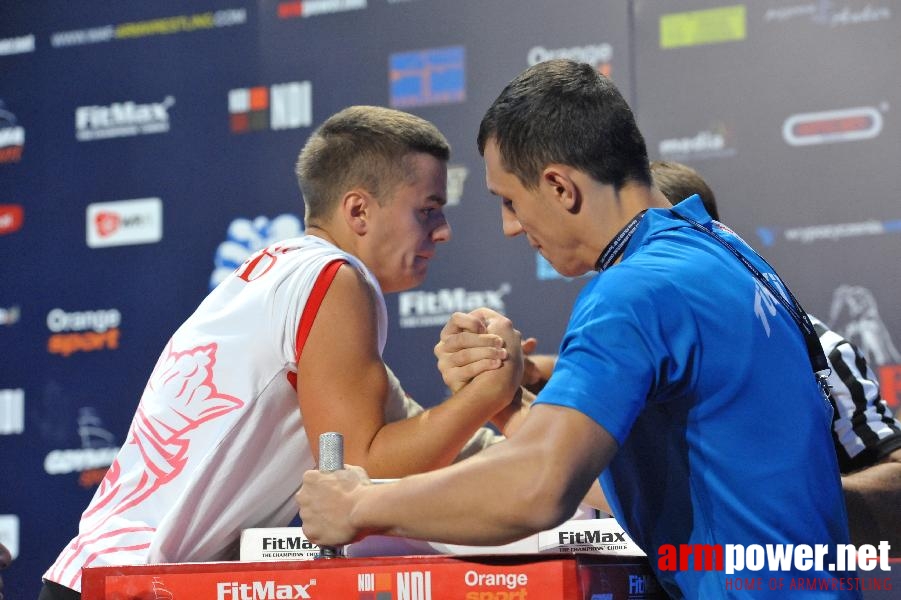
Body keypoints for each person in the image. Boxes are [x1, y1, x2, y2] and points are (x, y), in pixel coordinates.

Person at [297, 60, 860, 599]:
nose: (511, 227)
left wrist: (358, 506)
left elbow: (539, 486)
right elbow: (675, 480)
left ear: (560, 186)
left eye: (511, 201)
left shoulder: (634, 290)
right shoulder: (723, 253)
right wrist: (509, 402)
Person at [39, 106, 521, 600]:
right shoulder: (335, 280)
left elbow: (428, 441)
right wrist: (490, 393)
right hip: (135, 584)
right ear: (358, 211)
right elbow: (360, 475)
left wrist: (538, 427)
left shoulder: (281, 273)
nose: (442, 231)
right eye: (428, 209)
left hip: (97, 576)